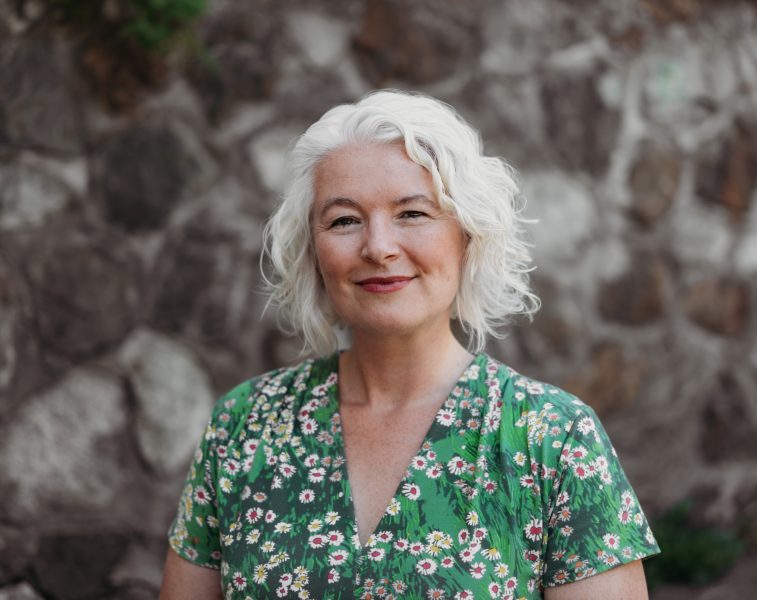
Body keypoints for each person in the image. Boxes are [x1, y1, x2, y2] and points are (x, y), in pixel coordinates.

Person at [160, 90, 660, 600]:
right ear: (313, 252)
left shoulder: (552, 438)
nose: (378, 246)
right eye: (344, 220)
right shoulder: (243, 426)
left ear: (467, 236)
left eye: (413, 213)